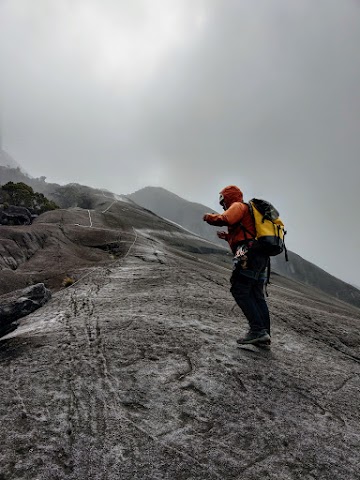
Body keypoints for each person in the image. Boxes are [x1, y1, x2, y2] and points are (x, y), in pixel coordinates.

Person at [203, 185, 271, 346]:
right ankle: (264, 335)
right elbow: (245, 232)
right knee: (256, 294)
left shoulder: (237, 206)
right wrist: (228, 237)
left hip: (248, 254)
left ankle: (257, 331)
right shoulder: (248, 211)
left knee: (239, 289)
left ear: (229, 197)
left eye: (223, 201)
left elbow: (226, 219)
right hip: (261, 256)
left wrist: (209, 217)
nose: (222, 205)